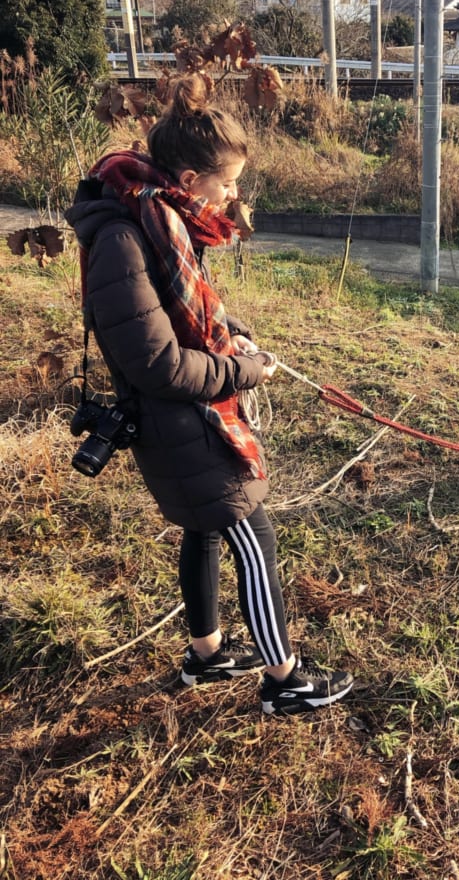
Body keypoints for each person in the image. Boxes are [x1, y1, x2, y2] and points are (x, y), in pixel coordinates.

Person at [65, 75, 353, 716]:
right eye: (227, 184)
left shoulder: (158, 219)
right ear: (192, 178)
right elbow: (160, 364)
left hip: (186, 418)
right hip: (181, 422)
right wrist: (245, 372)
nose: (234, 196)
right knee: (254, 539)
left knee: (203, 532)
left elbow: (190, 314)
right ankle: (285, 681)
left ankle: (207, 654)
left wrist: (239, 341)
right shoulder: (125, 237)